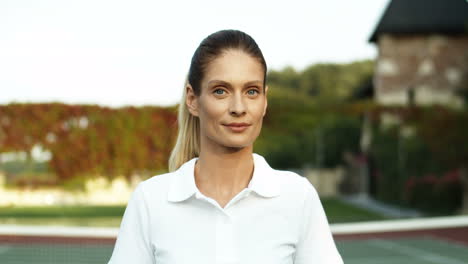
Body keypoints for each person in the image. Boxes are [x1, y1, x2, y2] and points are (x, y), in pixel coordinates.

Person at [108, 29, 343, 264]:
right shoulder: (150, 200)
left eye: (252, 91)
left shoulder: (298, 197)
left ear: (264, 101)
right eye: (220, 91)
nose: (239, 107)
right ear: (192, 99)